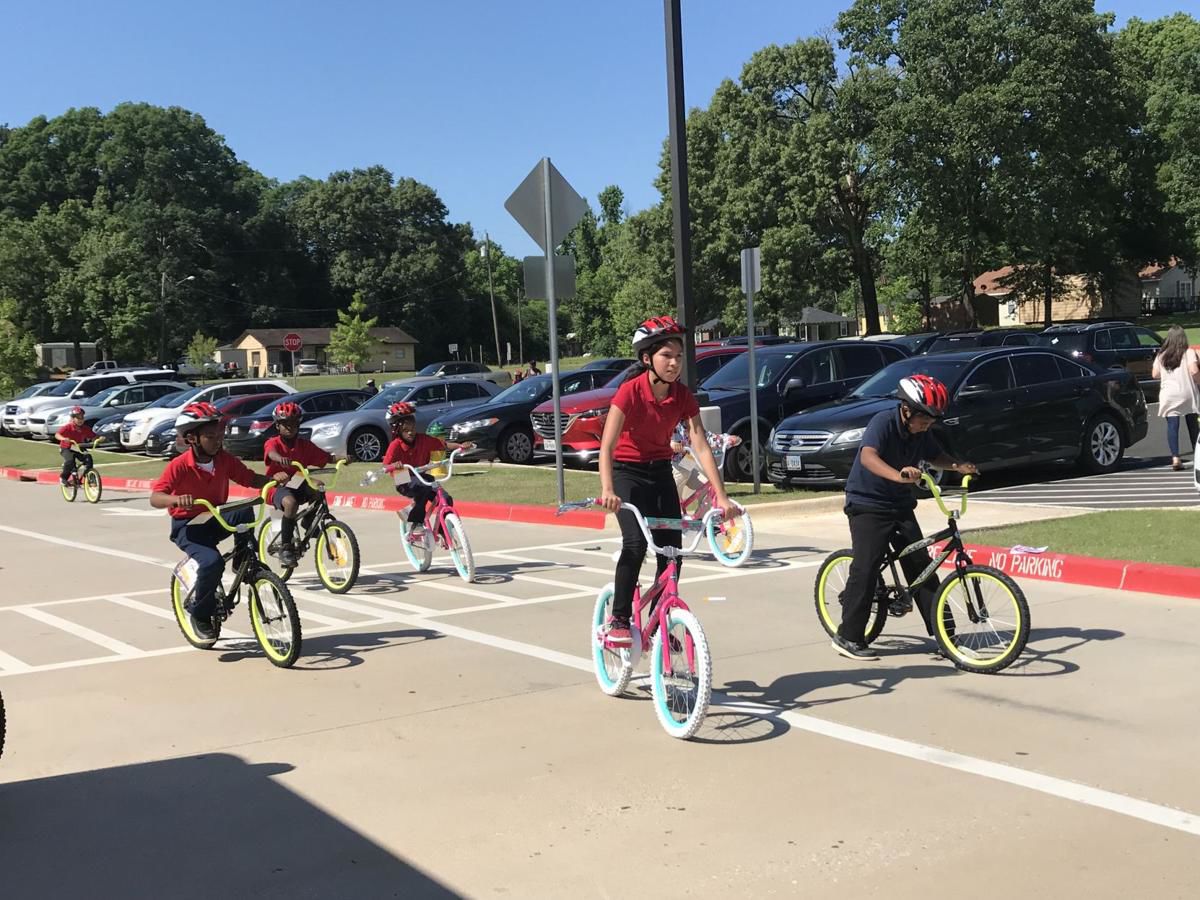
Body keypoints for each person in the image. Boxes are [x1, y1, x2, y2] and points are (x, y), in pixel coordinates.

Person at [598, 315, 736, 645]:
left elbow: (699, 443)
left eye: (678, 356)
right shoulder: (629, 393)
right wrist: (607, 489)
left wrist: (722, 496)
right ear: (647, 359)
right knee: (636, 544)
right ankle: (619, 618)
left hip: (659, 471)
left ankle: (659, 621)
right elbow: (607, 446)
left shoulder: (683, 395)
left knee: (672, 552)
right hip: (626, 473)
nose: (674, 363)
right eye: (666, 356)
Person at [833, 374, 978, 661]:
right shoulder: (883, 422)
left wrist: (957, 465)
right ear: (906, 409)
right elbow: (868, 457)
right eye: (924, 419)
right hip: (868, 504)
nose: (928, 425)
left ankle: (945, 636)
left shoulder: (921, 432)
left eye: (932, 420)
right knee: (867, 567)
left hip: (900, 504)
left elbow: (936, 455)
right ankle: (848, 636)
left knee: (921, 566)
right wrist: (898, 475)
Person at [150, 402, 289, 639]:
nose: (218, 440)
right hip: (189, 528)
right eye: (211, 436)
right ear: (192, 438)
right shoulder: (180, 465)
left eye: (220, 435)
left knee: (244, 509)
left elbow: (247, 477)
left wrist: (271, 480)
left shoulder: (224, 459)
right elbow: (155, 497)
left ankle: (243, 558)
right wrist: (174, 499)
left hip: (214, 518)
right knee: (212, 563)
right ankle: (199, 614)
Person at [263, 401, 344, 566]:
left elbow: (325, 457)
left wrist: (342, 458)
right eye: (285, 424)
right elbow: (270, 453)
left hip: (297, 482)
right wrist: (280, 459)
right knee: (291, 503)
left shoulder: (304, 445)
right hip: (275, 486)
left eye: (293, 423)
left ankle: (308, 521)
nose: (289, 427)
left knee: (319, 486)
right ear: (277, 426)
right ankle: (286, 547)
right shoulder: (273, 443)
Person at [381, 402, 474, 535]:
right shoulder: (395, 445)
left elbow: (444, 445)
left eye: (412, 428)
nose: (411, 432)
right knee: (422, 489)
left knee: (446, 498)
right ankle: (416, 523)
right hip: (403, 478)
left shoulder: (423, 440)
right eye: (406, 430)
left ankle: (443, 531)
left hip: (422, 476)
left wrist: (460, 446)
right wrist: (394, 466)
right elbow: (385, 466)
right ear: (398, 431)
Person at [1151, 325, 1200, 471]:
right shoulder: (1188, 352)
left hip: (1169, 394)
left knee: (1172, 426)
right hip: (1187, 393)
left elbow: (1154, 374)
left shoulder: (1162, 355)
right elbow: (1194, 370)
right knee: (1193, 425)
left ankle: (1175, 458)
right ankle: (1197, 455)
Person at [55, 406, 98, 485]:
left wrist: (98, 439)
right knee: (70, 461)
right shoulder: (68, 427)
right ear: (73, 418)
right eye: (78, 418)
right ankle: (63, 478)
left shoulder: (85, 428)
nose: (80, 420)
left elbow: (94, 436)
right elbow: (57, 435)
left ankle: (88, 477)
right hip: (66, 448)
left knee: (88, 458)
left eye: (82, 417)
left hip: (78, 447)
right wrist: (63, 439)